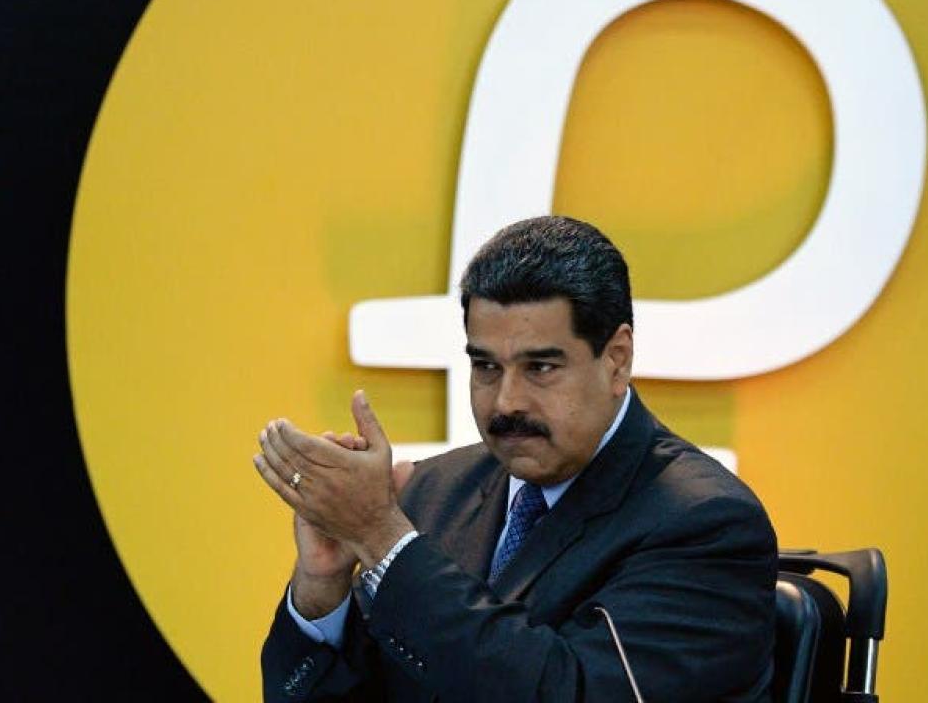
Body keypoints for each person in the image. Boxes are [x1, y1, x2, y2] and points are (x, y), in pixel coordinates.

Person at [254, 216, 777, 701]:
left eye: (540, 368)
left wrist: (382, 541)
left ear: (616, 360)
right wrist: (322, 588)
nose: (506, 403)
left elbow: (569, 692)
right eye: (486, 366)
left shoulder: (706, 525)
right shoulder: (430, 493)